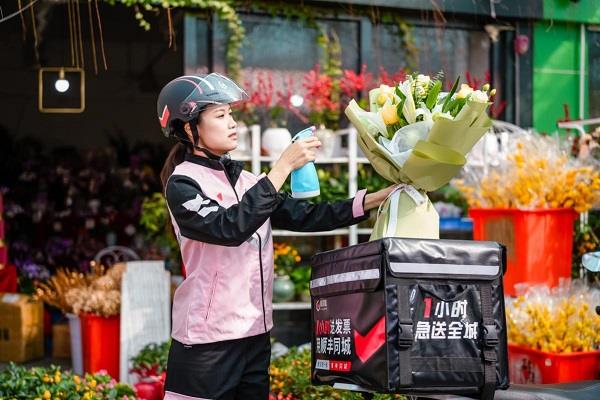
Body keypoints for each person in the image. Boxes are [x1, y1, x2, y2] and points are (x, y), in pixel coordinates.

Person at [157, 73, 397, 400]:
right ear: (189, 128)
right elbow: (229, 228)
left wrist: (375, 198)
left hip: (256, 332)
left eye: (231, 114)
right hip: (207, 340)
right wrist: (282, 167)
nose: (232, 123)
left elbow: (304, 215)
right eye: (220, 115)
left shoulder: (244, 178)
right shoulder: (183, 184)